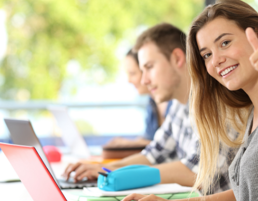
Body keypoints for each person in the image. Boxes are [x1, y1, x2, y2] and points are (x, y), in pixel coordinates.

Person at [122, 0, 258, 201]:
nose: (216, 60)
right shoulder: (252, 115)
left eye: (225, 43)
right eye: (206, 54)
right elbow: (244, 194)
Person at [63, 23, 236, 194]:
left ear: (177, 58)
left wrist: (123, 176)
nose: (144, 80)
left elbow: (196, 172)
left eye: (149, 67)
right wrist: (104, 169)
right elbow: (154, 154)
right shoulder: (178, 104)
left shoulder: (217, 103)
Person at [104, 49, 172, 148]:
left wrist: (131, 144)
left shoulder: (178, 102)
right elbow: (150, 140)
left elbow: (170, 146)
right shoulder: (151, 103)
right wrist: (128, 143)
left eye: (132, 73)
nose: (129, 80)